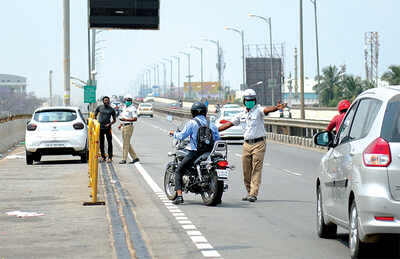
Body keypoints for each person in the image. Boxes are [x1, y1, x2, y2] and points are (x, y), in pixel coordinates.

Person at [218, 89, 287, 202]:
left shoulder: (258, 110)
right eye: (247, 100)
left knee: (256, 168)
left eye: (251, 100)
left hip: (259, 144)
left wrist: (276, 107)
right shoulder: (242, 114)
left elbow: (266, 110)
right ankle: (249, 191)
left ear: (255, 100)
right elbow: (229, 124)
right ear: (244, 101)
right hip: (246, 144)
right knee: (246, 170)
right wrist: (215, 130)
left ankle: (253, 194)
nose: (249, 102)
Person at [169, 102, 220, 205]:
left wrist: (173, 133)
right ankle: (217, 197)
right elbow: (217, 138)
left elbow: (182, 136)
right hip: (209, 152)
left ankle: (179, 196)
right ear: (205, 112)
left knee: (179, 170)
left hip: (195, 153)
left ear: (192, 112)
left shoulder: (192, 123)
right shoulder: (211, 123)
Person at [118, 94, 140, 164]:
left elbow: (135, 118)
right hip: (124, 126)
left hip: (129, 126)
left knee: (125, 143)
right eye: (127, 100)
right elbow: (123, 117)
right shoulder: (124, 107)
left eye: (129, 100)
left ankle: (124, 159)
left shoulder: (132, 108)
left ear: (131, 101)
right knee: (127, 143)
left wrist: (126, 119)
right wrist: (121, 124)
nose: (128, 101)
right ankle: (135, 158)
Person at [95, 96, 117, 163]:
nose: (106, 101)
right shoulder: (99, 107)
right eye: (105, 100)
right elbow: (94, 115)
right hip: (100, 128)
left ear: (109, 101)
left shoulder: (112, 109)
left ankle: (110, 157)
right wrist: (96, 122)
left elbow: (114, 120)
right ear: (103, 101)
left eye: (107, 100)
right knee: (101, 143)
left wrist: (109, 124)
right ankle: (103, 157)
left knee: (109, 142)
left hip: (107, 128)